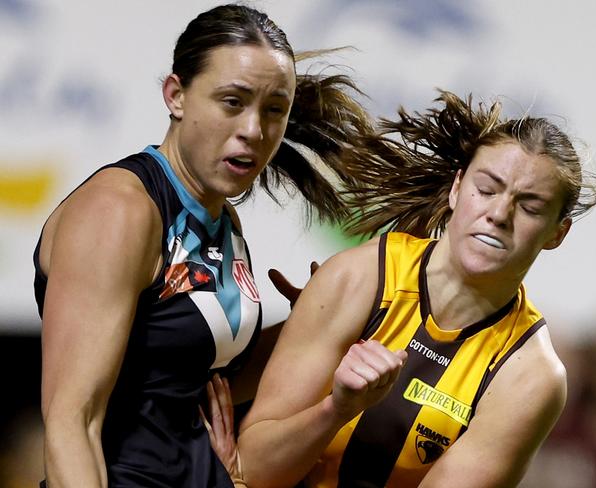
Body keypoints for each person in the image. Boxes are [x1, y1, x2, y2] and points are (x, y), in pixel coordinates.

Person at [33, 4, 375, 487]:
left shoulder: (222, 217)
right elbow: (72, 422)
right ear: (176, 95)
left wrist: (314, 323)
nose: (255, 131)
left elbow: (203, 382)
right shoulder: (119, 212)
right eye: (232, 102)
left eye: (274, 110)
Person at [235, 90, 596, 488]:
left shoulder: (531, 375)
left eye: (530, 206)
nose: (498, 214)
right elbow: (253, 470)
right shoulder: (358, 279)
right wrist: (337, 409)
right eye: (487, 188)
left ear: (557, 233)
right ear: (457, 189)